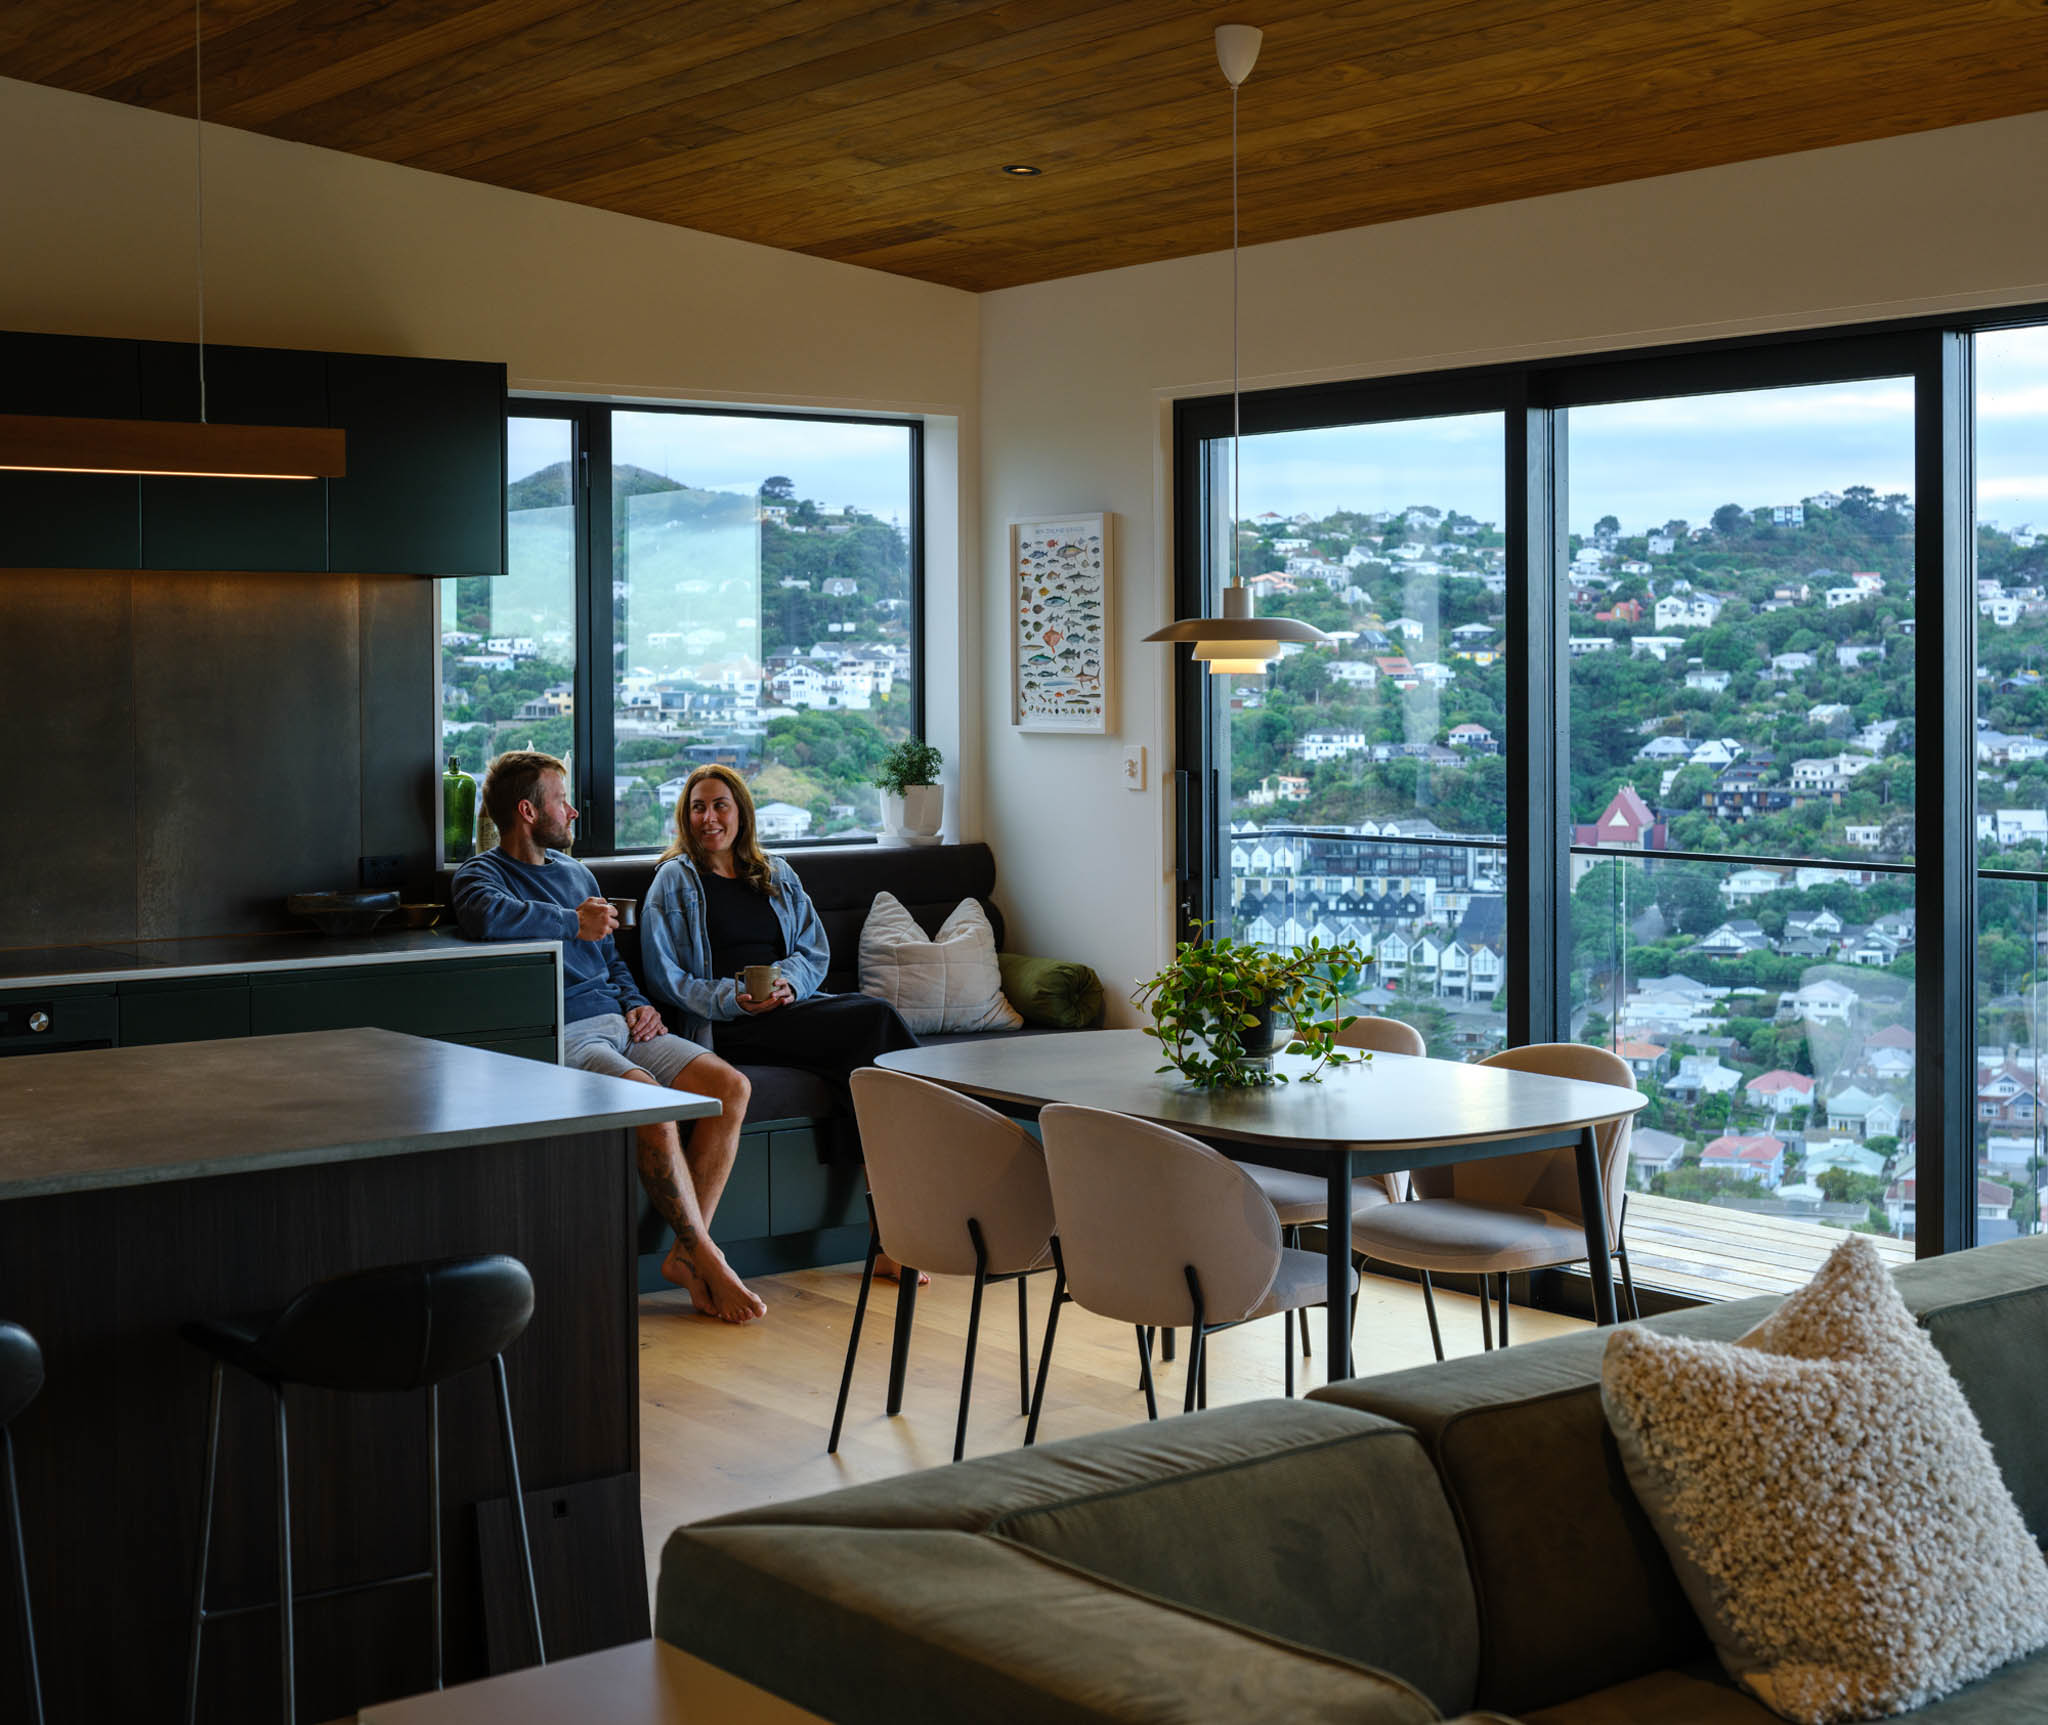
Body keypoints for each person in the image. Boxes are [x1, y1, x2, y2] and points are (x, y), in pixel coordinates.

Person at [451, 750, 765, 1324]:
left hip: (621, 1025)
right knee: (650, 1098)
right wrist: (572, 922)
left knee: (731, 1087)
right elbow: (487, 918)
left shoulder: (577, 872)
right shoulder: (481, 874)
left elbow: (611, 959)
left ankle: (688, 1251)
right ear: (527, 811)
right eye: (560, 801)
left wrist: (638, 1002)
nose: (572, 812)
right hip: (565, 1033)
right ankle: (705, 1257)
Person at [642, 765, 924, 1277]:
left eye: (720, 805)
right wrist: (733, 997)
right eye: (697, 807)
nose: (709, 818)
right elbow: (667, 978)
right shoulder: (673, 880)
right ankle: (900, 1219)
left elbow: (814, 950)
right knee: (873, 1021)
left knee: (862, 1064)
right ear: (685, 817)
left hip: (789, 1010)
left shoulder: (776, 872)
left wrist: (791, 983)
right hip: (725, 1025)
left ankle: (888, 1234)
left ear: (741, 811)